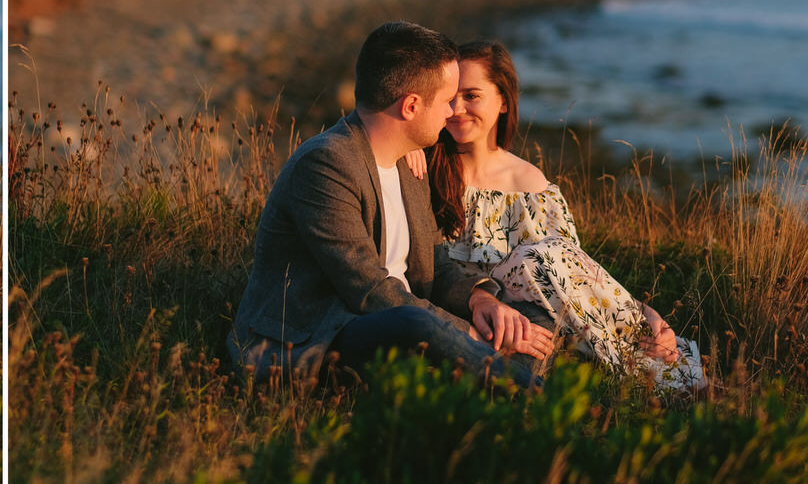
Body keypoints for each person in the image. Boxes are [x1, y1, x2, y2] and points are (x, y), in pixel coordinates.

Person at [226, 20, 554, 389]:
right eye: (447, 101)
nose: (451, 113)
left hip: (400, 324)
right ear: (411, 106)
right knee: (414, 325)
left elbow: (436, 264)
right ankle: (528, 395)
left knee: (524, 314)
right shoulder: (326, 165)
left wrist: (482, 301)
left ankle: (488, 387)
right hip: (321, 337)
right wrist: (466, 337)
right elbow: (368, 290)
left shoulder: (408, 161)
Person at [423, 39, 705, 392]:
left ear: (504, 101)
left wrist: (645, 312)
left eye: (471, 95)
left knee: (540, 258)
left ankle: (661, 369)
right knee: (531, 258)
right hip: (458, 307)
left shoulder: (532, 184)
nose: (457, 108)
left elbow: (574, 274)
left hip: (531, 319)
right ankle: (668, 379)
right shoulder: (426, 165)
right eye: (450, 97)